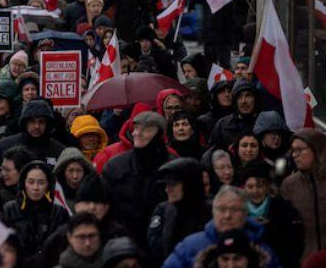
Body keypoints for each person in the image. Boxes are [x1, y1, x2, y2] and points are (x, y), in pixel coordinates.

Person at [161, 186, 281, 268]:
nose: (227, 216)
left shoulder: (262, 250)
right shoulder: (189, 246)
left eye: (234, 210)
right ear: (213, 212)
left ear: (245, 213)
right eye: (222, 209)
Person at [101, 111, 171, 243]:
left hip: (162, 238)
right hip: (123, 239)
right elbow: (103, 204)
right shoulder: (115, 165)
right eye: (136, 128)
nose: (138, 133)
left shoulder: (172, 166)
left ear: (160, 134)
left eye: (147, 129)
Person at [279, 128, 326, 257]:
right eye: (293, 150)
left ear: (317, 150)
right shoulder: (289, 185)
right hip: (304, 260)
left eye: (300, 150)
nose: (294, 155)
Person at [3, 162, 70, 264]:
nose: (35, 188)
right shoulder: (10, 209)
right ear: (23, 183)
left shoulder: (59, 212)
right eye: (30, 182)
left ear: (48, 185)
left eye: (41, 182)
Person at [240, 161, 303, 267]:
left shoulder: (284, 209)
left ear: (268, 186)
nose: (255, 191)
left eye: (259, 186)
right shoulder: (238, 210)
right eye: (250, 187)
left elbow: (293, 244)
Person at [147, 158, 211, 260]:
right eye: (166, 185)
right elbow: (155, 243)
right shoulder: (164, 210)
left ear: (189, 185)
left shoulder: (211, 213)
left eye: (172, 185)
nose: (167, 190)